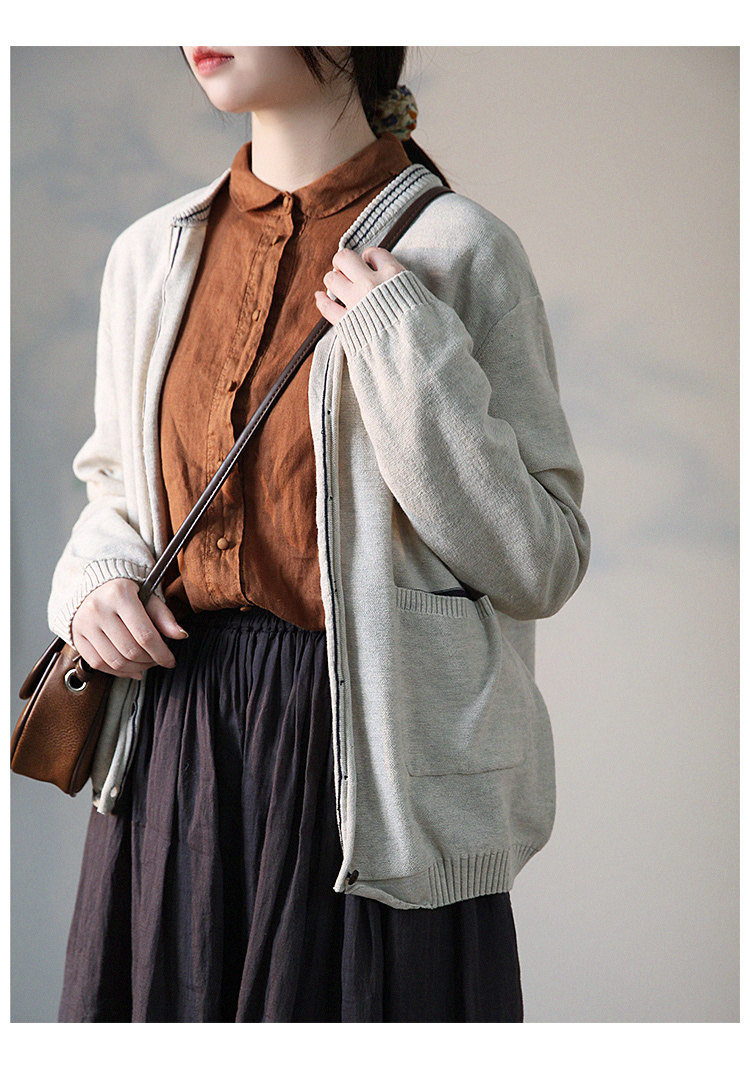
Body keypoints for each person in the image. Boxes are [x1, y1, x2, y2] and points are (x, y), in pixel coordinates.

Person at [48, 46, 590, 1022]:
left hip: (370, 757)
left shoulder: (463, 249)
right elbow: (116, 487)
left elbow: (540, 559)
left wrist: (405, 351)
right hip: (177, 743)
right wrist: (97, 583)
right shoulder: (150, 252)